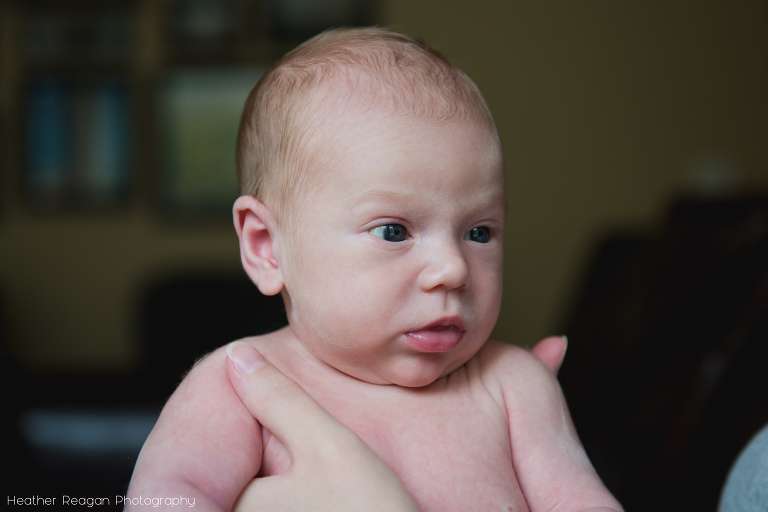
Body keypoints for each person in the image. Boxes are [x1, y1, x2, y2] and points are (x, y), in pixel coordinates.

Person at [127, 27, 623, 512]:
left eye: (479, 232)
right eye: (393, 231)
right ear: (266, 247)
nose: (453, 270)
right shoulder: (240, 383)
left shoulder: (513, 385)